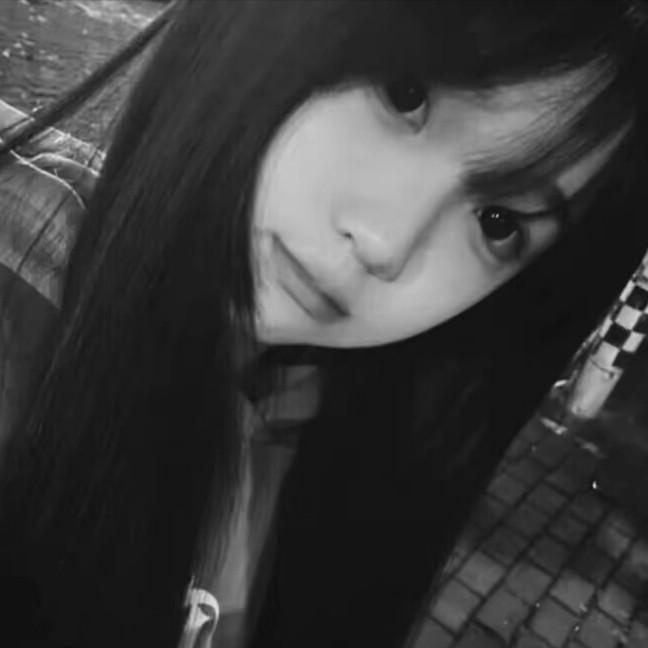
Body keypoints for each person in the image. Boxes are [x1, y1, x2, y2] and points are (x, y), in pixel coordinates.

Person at [0, 1, 646, 646]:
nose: (386, 242)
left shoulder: (319, 434)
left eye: (499, 222)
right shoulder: (22, 284)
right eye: (403, 93)